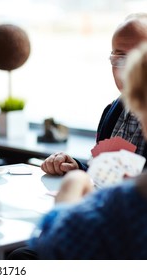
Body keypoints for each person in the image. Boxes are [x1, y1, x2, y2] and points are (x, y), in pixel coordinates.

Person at [11, 41, 147, 260]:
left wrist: (73, 184)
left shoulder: (129, 200)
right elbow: (100, 169)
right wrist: (79, 167)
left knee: (22, 256)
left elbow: (56, 244)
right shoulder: (113, 111)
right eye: (117, 56)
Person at [41, 13, 147, 176]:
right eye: (119, 59)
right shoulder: (112, 112)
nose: (127, 70)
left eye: (137, 59)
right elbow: (104, 177)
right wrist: (76, 168)